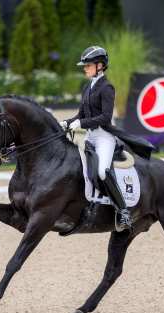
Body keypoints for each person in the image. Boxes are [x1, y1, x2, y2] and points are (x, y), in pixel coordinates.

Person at [60, 46, 136, 230]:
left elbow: (104, 116)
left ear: (100, 66)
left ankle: (123, 211)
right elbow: (81, 114)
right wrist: (67, 122)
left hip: (104, 137)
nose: (85, 68)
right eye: (84, 66)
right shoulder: (88, 87)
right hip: (90, 136)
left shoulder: (107, 87)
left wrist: (82, 124)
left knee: (102, 171)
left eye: (88, 65)